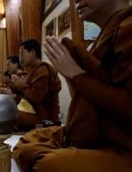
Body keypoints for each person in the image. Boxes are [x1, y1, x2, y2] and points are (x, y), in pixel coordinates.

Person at [12, 0, 132, 171]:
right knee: (26, 144)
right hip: (89, 134)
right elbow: (84, 101)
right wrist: (70, 75)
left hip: (121, 148)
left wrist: (76, 74)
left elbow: (127, 104)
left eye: (22, 53)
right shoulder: (96, 42)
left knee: (48, 165)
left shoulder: (128, 29)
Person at [11, 39, 61, 131]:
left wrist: (21, 86)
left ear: (33, 52)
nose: (21, 58)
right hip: (32, 111)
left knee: (7, 114)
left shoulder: (43, 70)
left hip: (45, 116)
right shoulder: (31, 71)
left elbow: (36, 98)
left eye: (23, 54)